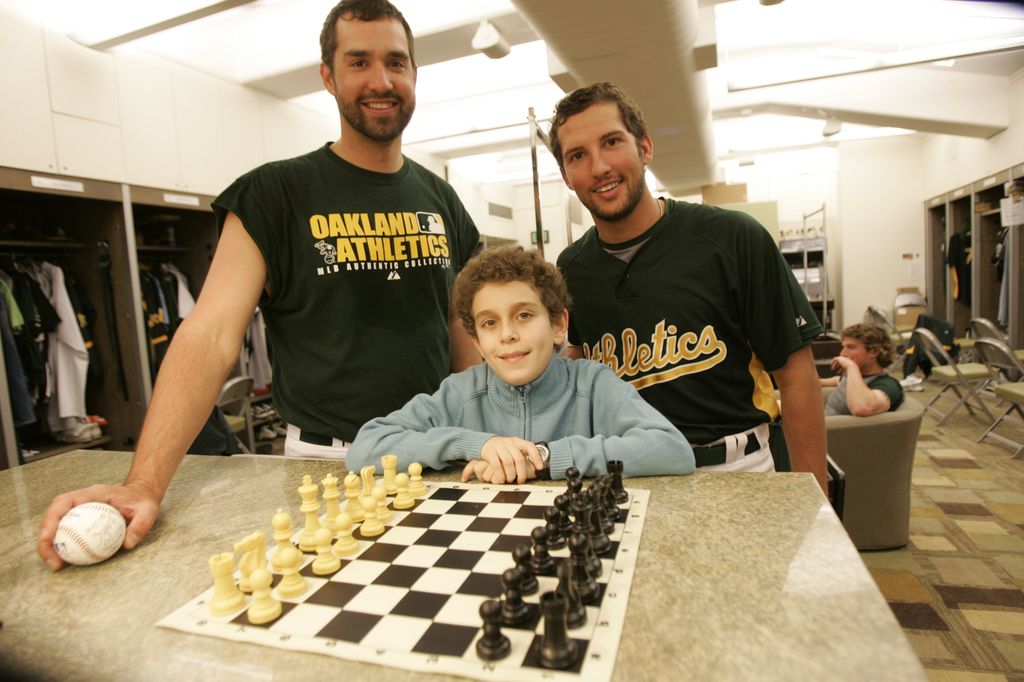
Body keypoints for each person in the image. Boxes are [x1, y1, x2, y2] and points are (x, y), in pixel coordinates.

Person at [37, 0, 479, 570]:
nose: (381, 80)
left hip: (435, 449)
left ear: (415, 73)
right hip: (326, 466)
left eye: (396, 62)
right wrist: (144, 483)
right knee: (320, 620)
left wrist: (485, 433)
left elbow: (461, 327)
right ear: (328, 76)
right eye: (359, 62)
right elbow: (213, 334)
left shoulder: (441, 200)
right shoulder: (273, 194)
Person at [550, 82, 827, 491]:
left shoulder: (733, 238)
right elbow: (578, 356)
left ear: (645, 147)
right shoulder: (571, 268)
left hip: (733, 471)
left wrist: (815, 500)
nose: (599, 167)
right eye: (578, 155)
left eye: (612, 142)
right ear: (566, 176)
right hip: (628, 473)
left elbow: (797, 375)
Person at [347, 246, 695, 483]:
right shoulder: (459, 392)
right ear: (476, 342)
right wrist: (477, 444)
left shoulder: (592, 384)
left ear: (559, 325)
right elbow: (365, 448)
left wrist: (544, 458)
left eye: (524, 315)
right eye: (489, 323)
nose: (507, 335)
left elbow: (673, 450)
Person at [822, 323, 905, 416]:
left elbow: (862, 408)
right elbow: (837, 380)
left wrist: (851, 367)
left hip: (837, 429)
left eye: (850, 347)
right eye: (843, 347)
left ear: (873, 351)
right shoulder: (852, 378)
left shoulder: (888, 384)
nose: (842, 353)